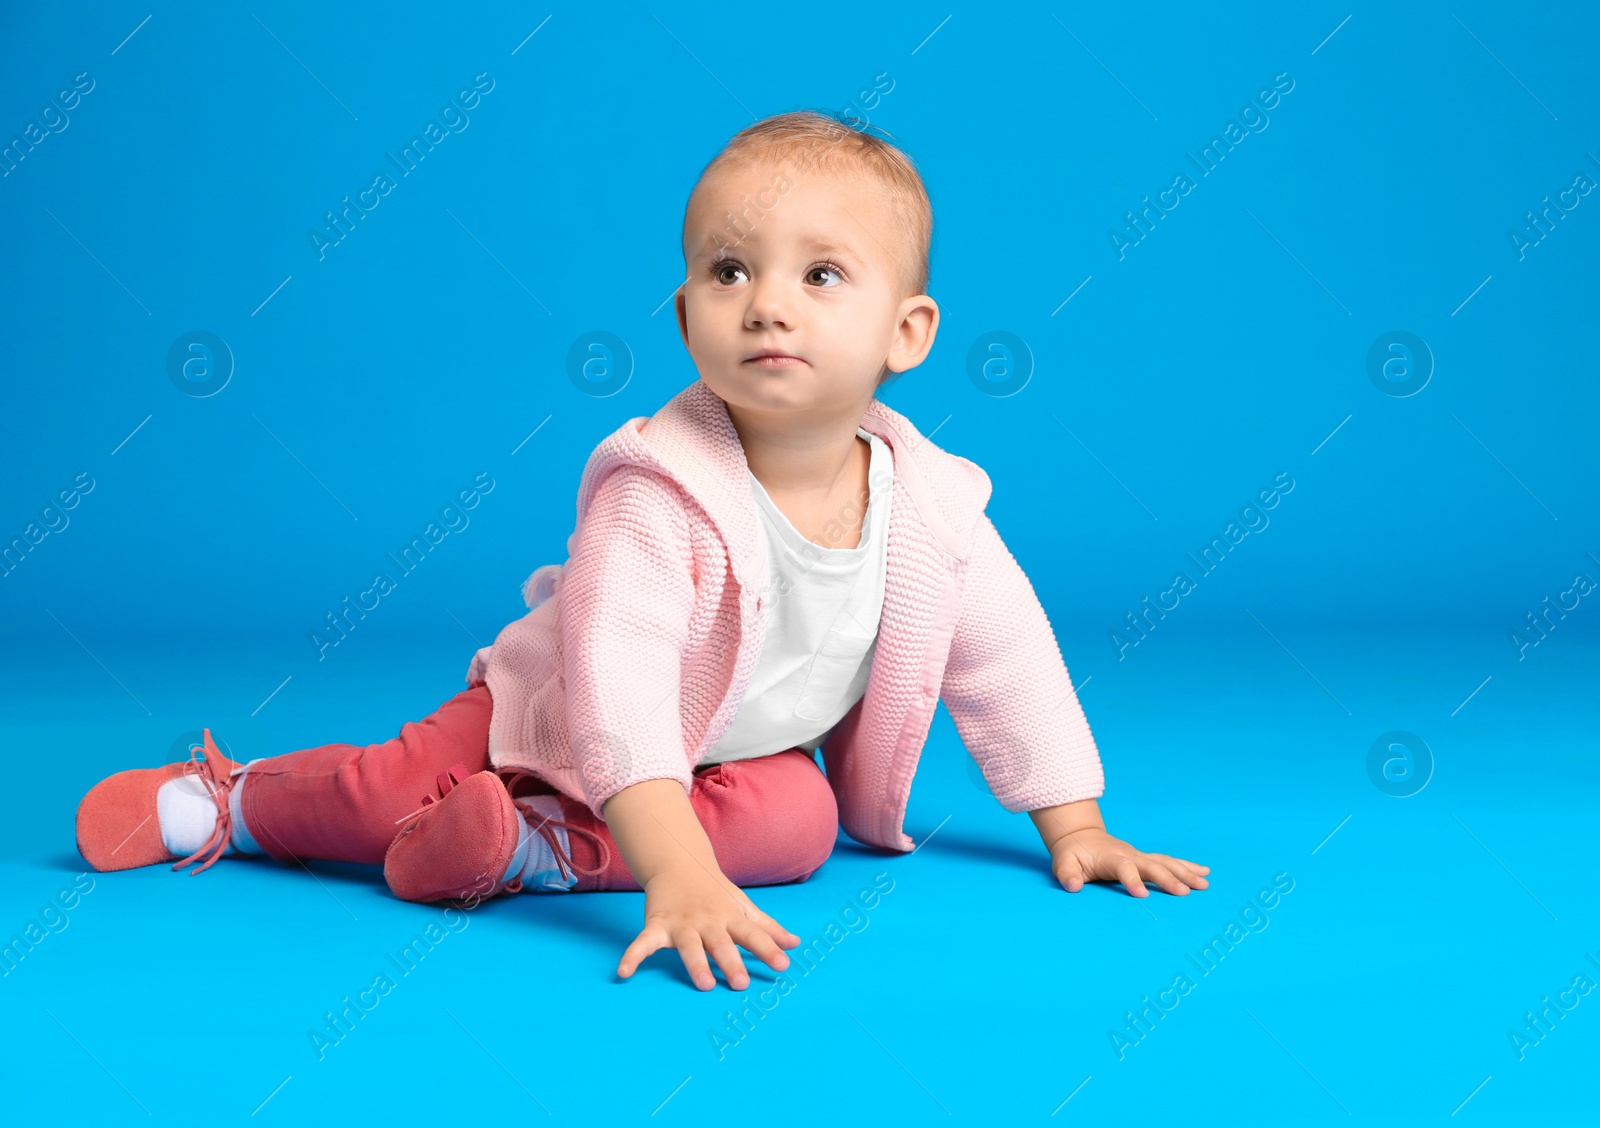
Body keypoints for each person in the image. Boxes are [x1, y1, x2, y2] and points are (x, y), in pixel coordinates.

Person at [74, 109, 1208, 994]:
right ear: (683, 319)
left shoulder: (934, 509)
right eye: (729, 272)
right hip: (558, 711)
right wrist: (675, 872)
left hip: (726, 752)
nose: (767, 304)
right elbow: (615, 683)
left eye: (820, 275)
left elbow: (1004, 661)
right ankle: (234, 807)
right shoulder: (656, 489)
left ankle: (528, 852)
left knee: (799, 826)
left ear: (905, 335)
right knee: (393, 784)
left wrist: (1076, 824)